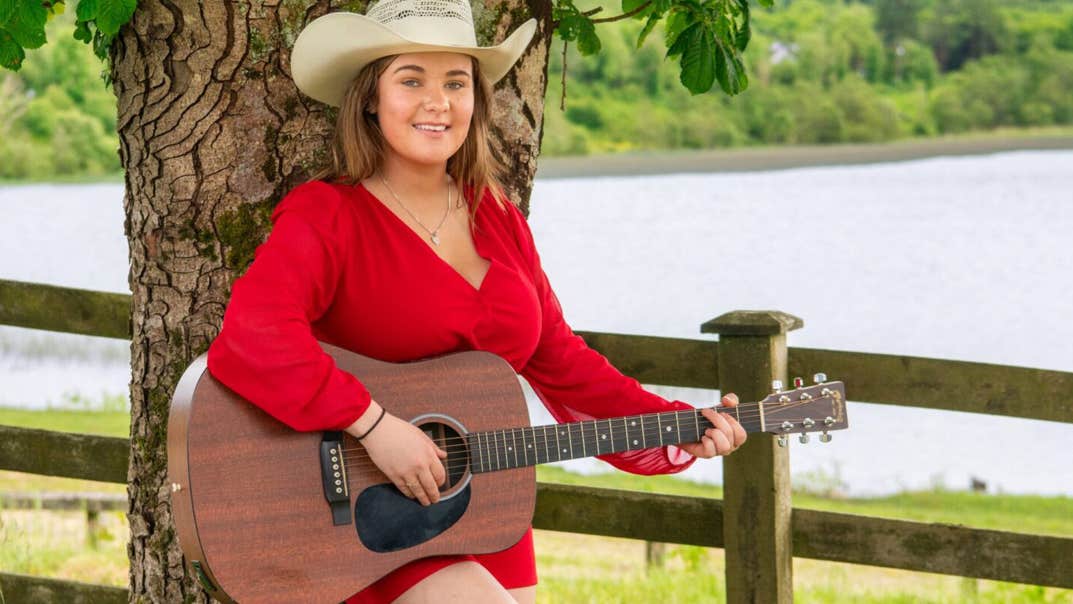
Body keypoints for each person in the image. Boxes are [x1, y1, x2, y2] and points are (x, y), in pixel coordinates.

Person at [205, 0, 748, 602]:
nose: (438, 101)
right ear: (370, 98)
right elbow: (254, 336)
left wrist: (672, 424)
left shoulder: (500, 219)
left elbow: (563, 363)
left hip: (482, 509)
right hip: (360, 522)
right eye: (411, 80)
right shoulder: (328, 214)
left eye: (456, 82)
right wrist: (375, 425)